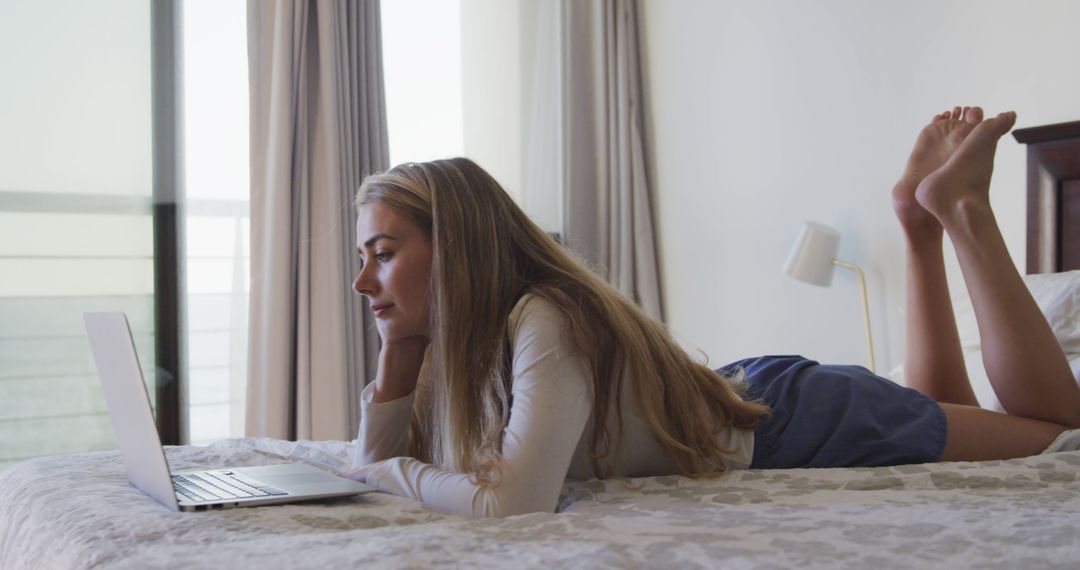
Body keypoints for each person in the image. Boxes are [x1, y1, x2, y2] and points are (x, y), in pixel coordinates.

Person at [344, 107, 1080, 518]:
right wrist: (399, 360)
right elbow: (377, 460)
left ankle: (964, 216)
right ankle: (918, 226)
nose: (361, 282)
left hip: (800, 418)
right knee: (944, 413)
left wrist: (392, 471)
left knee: (1060, 435)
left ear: (458, 247)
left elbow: (513, 502)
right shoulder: (471, 341)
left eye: (382, 252)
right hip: (747, 394)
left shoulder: (548, 316)